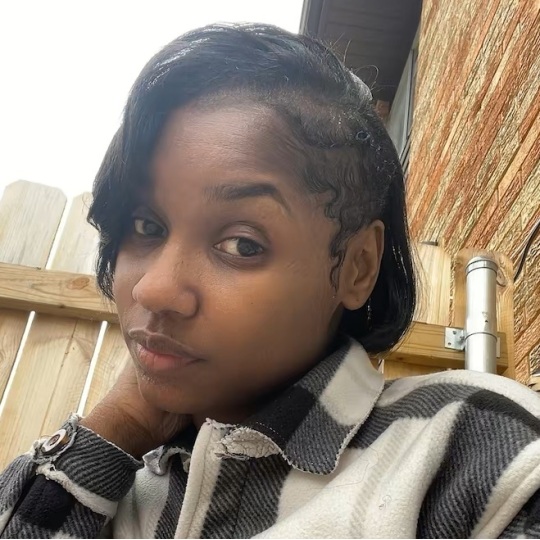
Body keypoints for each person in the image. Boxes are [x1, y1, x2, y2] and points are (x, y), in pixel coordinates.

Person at [1, 23, 539, 539]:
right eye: (146, 226)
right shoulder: (105, 490)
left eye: (242, 244)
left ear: (357, 267)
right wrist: (116, 425)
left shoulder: (471, 449)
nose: (154, 290)